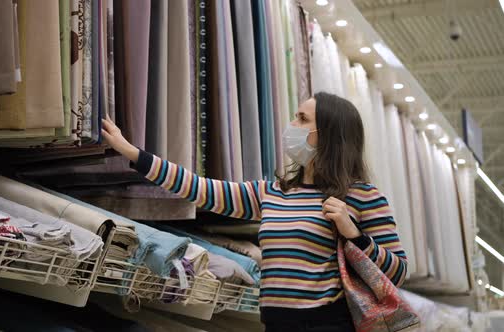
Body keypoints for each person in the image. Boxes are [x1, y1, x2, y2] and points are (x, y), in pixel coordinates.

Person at [102, 92, 408, 332]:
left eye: (302, 118)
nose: (292, 124)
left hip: (327, 323)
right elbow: (200, 189)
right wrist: (133, 154)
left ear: (326, 134)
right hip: (274, 323)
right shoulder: (272, 192)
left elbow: (397, 272)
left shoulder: (363, 196)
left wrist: (353, 233)